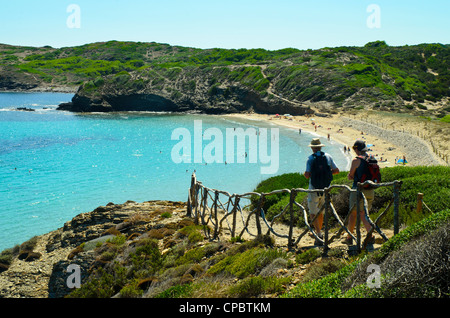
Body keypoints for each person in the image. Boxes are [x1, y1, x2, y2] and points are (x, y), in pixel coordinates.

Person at [304, 138, 340, 245]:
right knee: (321, 211)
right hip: (326, 188)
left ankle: (318, 234)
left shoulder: (310, 158)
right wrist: (326, 174)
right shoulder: (328, 157)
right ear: (320, 147)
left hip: (314, 188)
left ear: (312, 148)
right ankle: (318, 231)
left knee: (313, 211)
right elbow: (336, 171)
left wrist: (314, 175)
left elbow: (307, 175)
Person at [343, 140, 376, 245]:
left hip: (358, 191)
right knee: (365, 213)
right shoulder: (372, 159)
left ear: (357, 149)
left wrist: (351, 175)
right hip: (371, 190)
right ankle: (369, 235)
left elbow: (350, 176)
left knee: (354, 214)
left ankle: (350, 237)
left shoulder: (356, 160)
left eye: (354, 149)